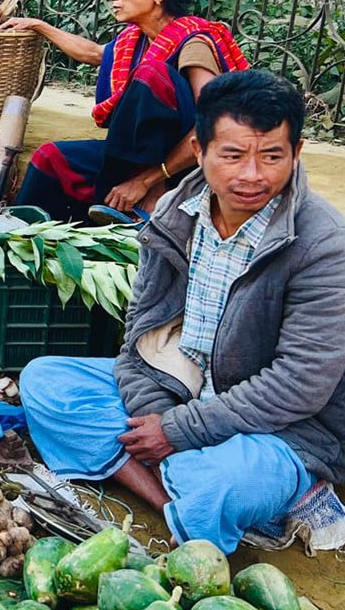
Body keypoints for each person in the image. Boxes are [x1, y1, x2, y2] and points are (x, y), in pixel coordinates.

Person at [20, 70, 345, 555]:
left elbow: (299, 384)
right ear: (200, 150)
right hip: (179, 385)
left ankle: (281, 489)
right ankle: (167, 497)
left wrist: (177, 431)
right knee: (45, 382)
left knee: (224, 482)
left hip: (280, 426)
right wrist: (160, 417)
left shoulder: (323, 244)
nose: (252, 175)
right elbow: (140, 331)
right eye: (233, 155)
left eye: (272, 156)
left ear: (296, 154)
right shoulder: (176, 210)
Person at [4, 0, 249, 223]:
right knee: (51, 158)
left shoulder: (193, 43)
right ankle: (20, 236)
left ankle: (139, 201)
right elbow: (94, 53)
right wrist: (40, 26)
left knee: (151, 75)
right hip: (125, 160)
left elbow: (216, 124)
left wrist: (149, 179)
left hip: (185, 164)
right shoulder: (134, 40)